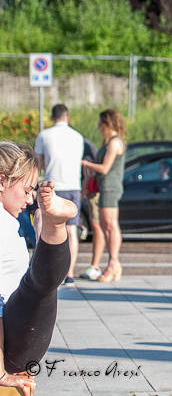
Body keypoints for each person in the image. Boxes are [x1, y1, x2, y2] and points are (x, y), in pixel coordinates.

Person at [0, 141, 77, 395]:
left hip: (18, 336)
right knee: (39, 286)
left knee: (41, 286)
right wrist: (1, 371)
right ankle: (54, 227)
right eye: (26, 190)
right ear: (2, 182)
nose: (30, 198)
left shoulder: (9, 218)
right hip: (9, 341)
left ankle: (52, 228)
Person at [34, 104, 84, 285]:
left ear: (52, 117)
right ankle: (69, 273)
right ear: (67, 117)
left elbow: (39, 162)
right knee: (71, 230)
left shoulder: (44, 135)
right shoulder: (78, 137)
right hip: (73, 186)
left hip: (51, 185)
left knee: (42, 222)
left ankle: (44, 266)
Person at [80, 109, 126, 283]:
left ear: (108, 123)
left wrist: (85, 163)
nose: (99, 127)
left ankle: (114, 263)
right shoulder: (110, 142)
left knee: (110, 225)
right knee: (107, 225)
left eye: (101, 123)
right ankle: (114, 263)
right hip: (105, 186)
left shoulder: (114, 143)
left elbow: (105, 168)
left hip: (110, 187)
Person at [79, 137, 102, 281]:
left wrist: (83, 193)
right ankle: (95, 265)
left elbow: (89, 171)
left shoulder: (85, 146)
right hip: (88, 189)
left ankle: (95, 265)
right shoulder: (86, 144)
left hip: (92, 190)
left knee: (96, 226)